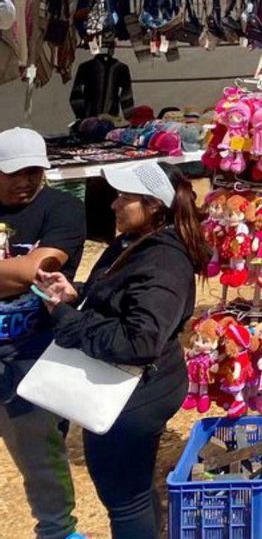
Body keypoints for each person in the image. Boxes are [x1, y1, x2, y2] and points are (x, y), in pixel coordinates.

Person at [34, 162, 209, 539]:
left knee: (123, 494)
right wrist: (76, 294)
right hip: (137, 386)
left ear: (154, 206)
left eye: (124, 198)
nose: (114, 205)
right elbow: (121, 300)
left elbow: (139, 341)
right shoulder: (134, 242)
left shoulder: (163, 260)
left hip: (136, 394)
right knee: (134, 485)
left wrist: (67, 320)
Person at [0, 128, 87, 539]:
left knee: (41, 456)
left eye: (35, 171)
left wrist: (23, 273)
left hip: (30, 356)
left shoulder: (64, 209)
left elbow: (34, 271)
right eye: (15, 172)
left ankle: (57, 532)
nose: (27, 180)